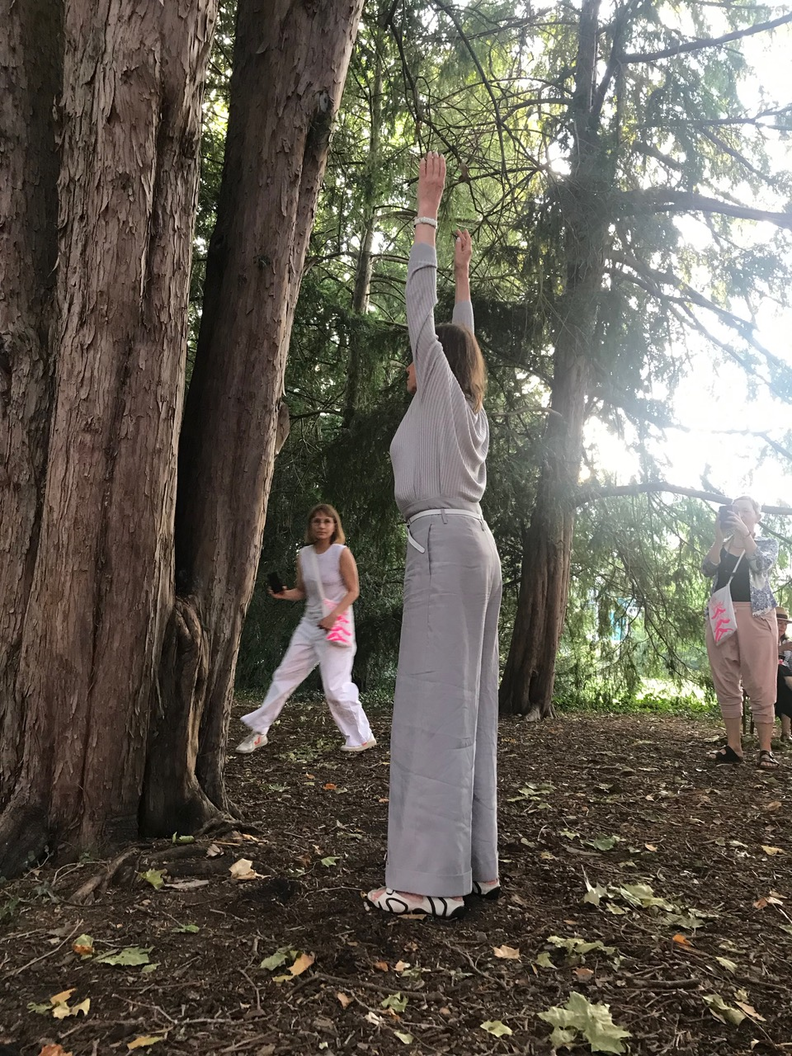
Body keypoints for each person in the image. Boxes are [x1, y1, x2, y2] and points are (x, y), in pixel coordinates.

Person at [367, 152, 502, 919]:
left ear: (436, 365)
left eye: (419, 359)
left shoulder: (443, 394)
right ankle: (472, 868)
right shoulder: (466, 412)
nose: (409, 364)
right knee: (466, 707)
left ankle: (428, 885)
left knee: (432, 711)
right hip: (470, 549)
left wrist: (427, 208)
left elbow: (425, 323)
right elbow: (458, 337)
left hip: (444, 554)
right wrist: (463, 279)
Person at [235, 504, 376, 754]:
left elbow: (354, 590)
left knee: (335, 689)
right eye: (317, 521)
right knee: (283, 677)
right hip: (309, 626)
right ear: (310, 526)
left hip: (336, 627)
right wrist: (284, 594)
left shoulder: (341, 553)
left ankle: (362, 737)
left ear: (334, 526)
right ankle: (259, 732)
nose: (321, 526)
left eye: (327, 521)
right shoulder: (304, 555)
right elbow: (303, 591)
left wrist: (333, 616)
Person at [702, 495, 779, 769]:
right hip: (721, 614)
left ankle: (766, 749)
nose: (739, 514)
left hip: (756, 615)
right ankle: (733, 746)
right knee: (725, 678)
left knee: (760, 680)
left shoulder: (766, 544)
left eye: (745, 510)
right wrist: (717, 538)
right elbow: (707, 569)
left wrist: (745, 534)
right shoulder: (723, 546)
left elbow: (760, 564)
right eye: (735, 510)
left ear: (757, 516)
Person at [774, 607, 792, 742]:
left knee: (786, 691)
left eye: (785, 624)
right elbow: (762, 657)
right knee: (780, 669)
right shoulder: (764, 639)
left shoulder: (787, 642)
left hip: (783, 680)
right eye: (779, 623)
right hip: (768, 674)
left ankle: (785, 733)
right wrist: (780, 649)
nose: (782, 627)